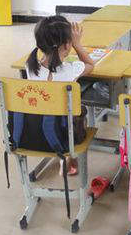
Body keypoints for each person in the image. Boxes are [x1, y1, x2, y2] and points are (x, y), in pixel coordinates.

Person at [26, 15, 95, 175]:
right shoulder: (71, 69)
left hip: (34, 134)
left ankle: (64, 156)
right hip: (66, 136)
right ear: (67, 45)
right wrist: (77, 44)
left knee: (52, 112)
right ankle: (69, 156)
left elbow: (47, 61)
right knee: (79, 110)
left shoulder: (30, 67)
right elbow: (90, 65)